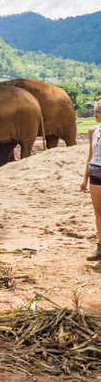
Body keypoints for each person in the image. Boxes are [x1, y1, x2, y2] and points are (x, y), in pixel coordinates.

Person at [80, 100, 101, 261]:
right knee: (98, 212)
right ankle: (100, 248)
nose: (94, 115)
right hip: (95, 172)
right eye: (95, 111)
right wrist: (84, 178)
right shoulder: (93, 130)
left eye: (98, 112)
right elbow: (90, 155)